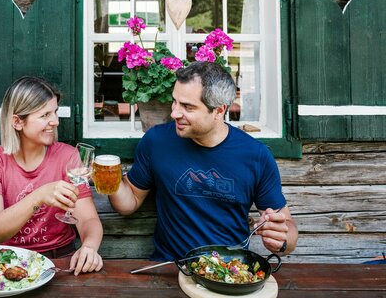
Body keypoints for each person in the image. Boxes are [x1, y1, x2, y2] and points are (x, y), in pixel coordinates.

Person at [109, 61, 298, 260]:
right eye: (175, 101)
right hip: (170, 268)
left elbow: (288, 230)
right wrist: (109, 177)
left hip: (229, 273)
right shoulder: (157, 141)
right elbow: (128, 202)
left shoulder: (256, 156)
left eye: (188, 107)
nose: (174, 113)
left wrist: (281, 239)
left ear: (218, 111)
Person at [0, 76, 103, 275]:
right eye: (45, 115)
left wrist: (89, 247)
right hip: (10, 263)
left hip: (61, 260)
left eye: (55, 112)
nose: (56, 121)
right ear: (17, 122)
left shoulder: (68, 156)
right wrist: (39, 195)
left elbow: (88, 220)